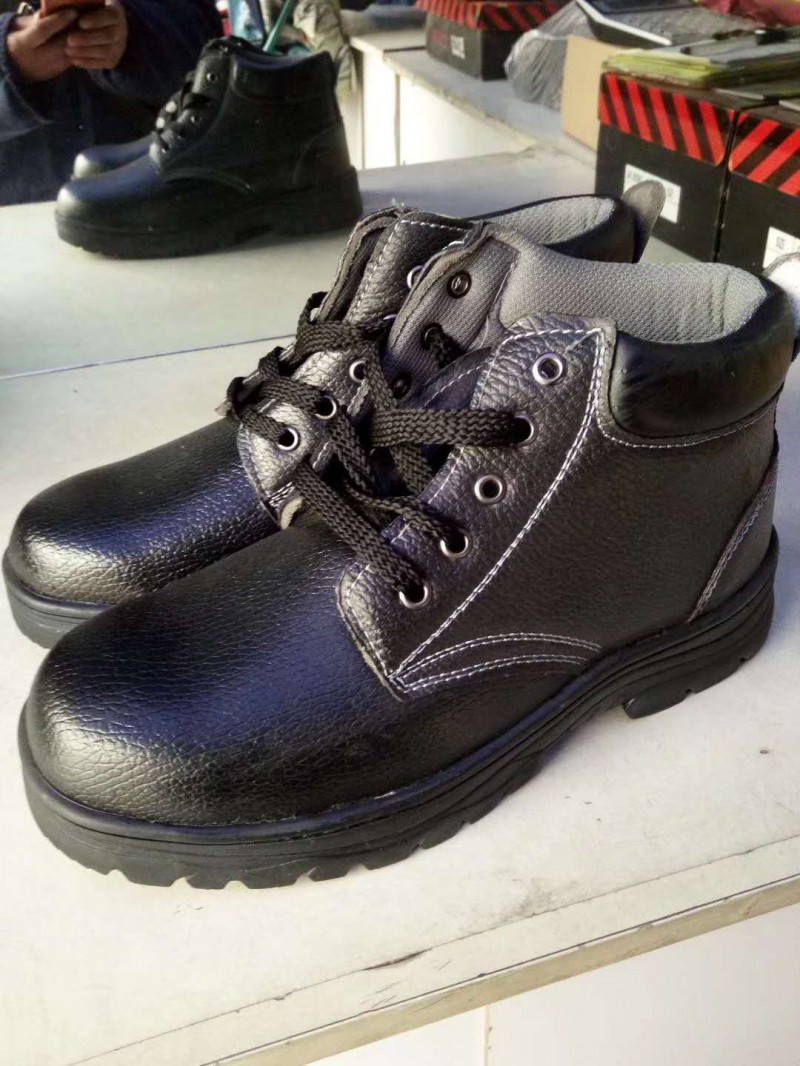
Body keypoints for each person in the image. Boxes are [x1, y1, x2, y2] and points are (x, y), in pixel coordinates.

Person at [0, 0, 222, 204]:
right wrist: (7, 61)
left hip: (158, 197)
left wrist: (133, 35)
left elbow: (211, 49)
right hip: (18, 213)